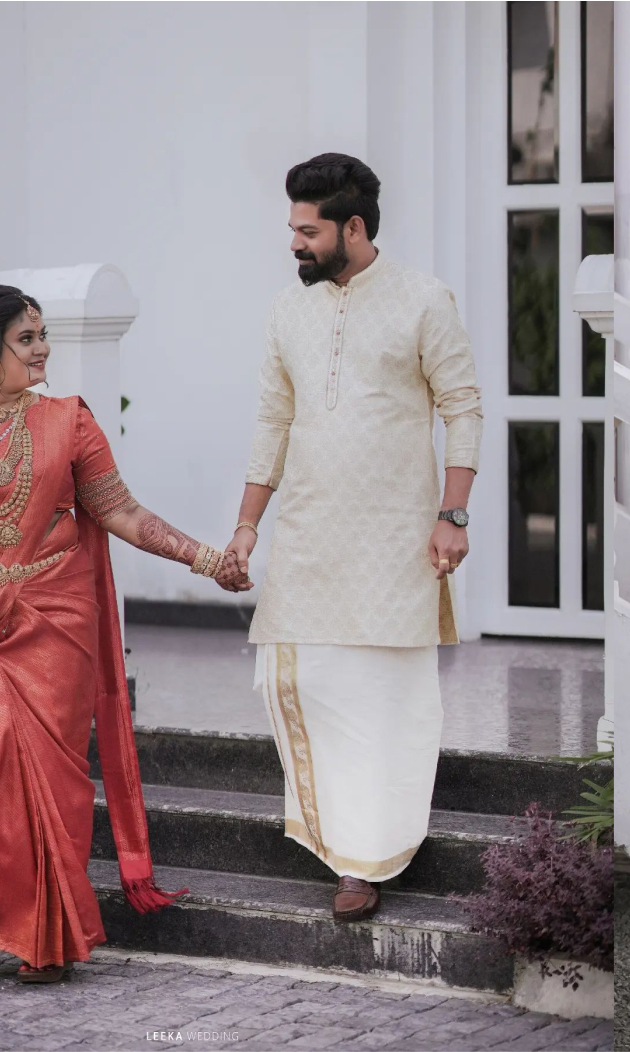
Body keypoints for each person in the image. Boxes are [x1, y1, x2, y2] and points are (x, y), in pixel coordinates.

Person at [0, 286, 243, 984]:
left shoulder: (70, 422)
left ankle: (40, 934)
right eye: (28, 338)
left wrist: (205, 560)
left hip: (51, 622)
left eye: (43, 334)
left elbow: (121, 513)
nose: (44, 347)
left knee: (44, 786)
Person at [223, 153, 482, 923]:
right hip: (308, 527)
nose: (295, 243)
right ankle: (335, 837)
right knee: (295, 682)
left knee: (384, 695)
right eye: (293, 229)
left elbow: (463, 406)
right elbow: (273, 420)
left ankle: (362, 859)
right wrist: (245, 526)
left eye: (308, 231)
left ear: (354, 228)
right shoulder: (286, 311)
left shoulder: (423, 301)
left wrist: (453, 512)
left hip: (396, 532)